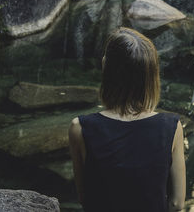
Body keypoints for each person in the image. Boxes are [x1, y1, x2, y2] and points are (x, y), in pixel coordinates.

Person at [68, 27, 186, 212]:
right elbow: (177, 203)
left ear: (106, 70)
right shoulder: (172, 127)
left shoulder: (80, 128)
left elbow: (84, 198)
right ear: (151, 76)